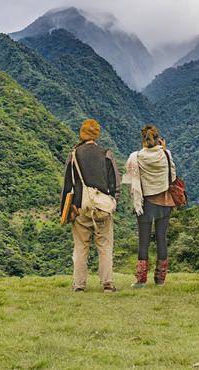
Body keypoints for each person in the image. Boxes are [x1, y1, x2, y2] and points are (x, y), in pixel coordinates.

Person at [60, 119, 120, 293]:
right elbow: (114, 183)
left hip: (80, 209)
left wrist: (63, 211)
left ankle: (79, 286)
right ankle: (107, 284)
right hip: (102, 209)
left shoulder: (73, 155)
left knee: (80, 248)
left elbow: (67, 185)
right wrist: (112, 202)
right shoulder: (106, 154)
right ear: (97, 134)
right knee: (105, 246)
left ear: (82, 134)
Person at [122, 125, 176, 288]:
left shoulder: (136, 156)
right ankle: (160, 279)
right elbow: (172, 176)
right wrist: (165, 151)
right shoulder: (166, 154)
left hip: (144, 204)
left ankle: (141, 280)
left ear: (142, 140)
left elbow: (131, 179)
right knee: (162, 239)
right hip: (165, 202)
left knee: (143, 241)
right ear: (158, 139)